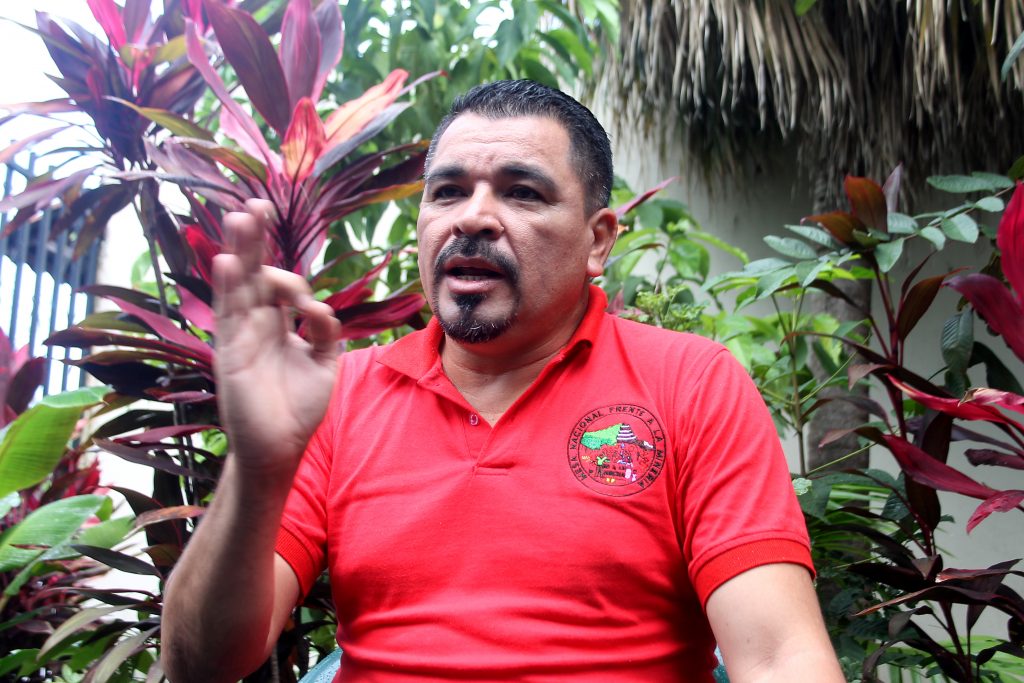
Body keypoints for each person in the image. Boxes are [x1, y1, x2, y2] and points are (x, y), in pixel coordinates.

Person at [162, 80, 844, 682]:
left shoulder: (690, 383)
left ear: (598, 240)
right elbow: (202, 663)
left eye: (522, 192)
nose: (472, 217)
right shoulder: (337, 396)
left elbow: (779, 657)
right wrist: (256, 466)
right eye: (448, 192)